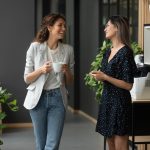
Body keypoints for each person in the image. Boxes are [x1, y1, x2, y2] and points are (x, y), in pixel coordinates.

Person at [23, 13, 74, 150]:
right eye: (60, 25)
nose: (63, 28)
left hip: (58, 99)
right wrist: (41, 70)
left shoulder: (68, 50)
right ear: (50, 27)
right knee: (41, 144)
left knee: (52, 144)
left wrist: (66, 70)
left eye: (64, 26)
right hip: (38, 100)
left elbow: (70, 80)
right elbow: (27, 78)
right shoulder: (35, 47)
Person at [90, 15, 137, 150]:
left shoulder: (125, 52)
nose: (105, 29)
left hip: (120, 103)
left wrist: (105, 77)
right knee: (110, 143)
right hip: (107, 101)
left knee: (120, 146)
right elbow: (106, 76)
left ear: (117, 28)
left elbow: (128, 85)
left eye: (107, 26)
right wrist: (98, 75)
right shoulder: (107, 52)